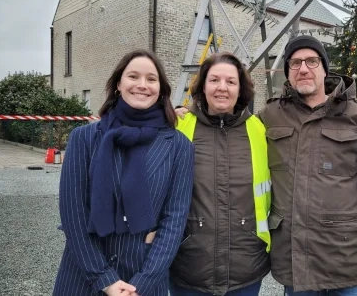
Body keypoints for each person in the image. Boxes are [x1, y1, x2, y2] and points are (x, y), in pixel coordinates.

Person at [258, 35, 357, 295]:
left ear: (325, 69)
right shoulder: (270, 116)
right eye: (295, 63)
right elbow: (233, 130)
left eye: (312, 61)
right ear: (288, 72)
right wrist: (183, 114)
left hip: (349, 267)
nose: (303, 68)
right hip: (297, 268)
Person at [53, 49, 195, 296]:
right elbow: (73, 214)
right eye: (133, 76)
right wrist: (104, 279)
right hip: (83, 278)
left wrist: (144, 282)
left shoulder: (179, 146)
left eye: (151, 79)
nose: (142, 85)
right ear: (118, 83)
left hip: (142, 280)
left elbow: (175, 220)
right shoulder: (84, 139)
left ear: (161, 89)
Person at [169, 52, 272, 296]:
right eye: (214, 80)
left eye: (231, 82)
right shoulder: (177, 125)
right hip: (188, 266)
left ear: (241, 89)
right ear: (202, 86)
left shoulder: (259, 129)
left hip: (245, 267)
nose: (222, 88)